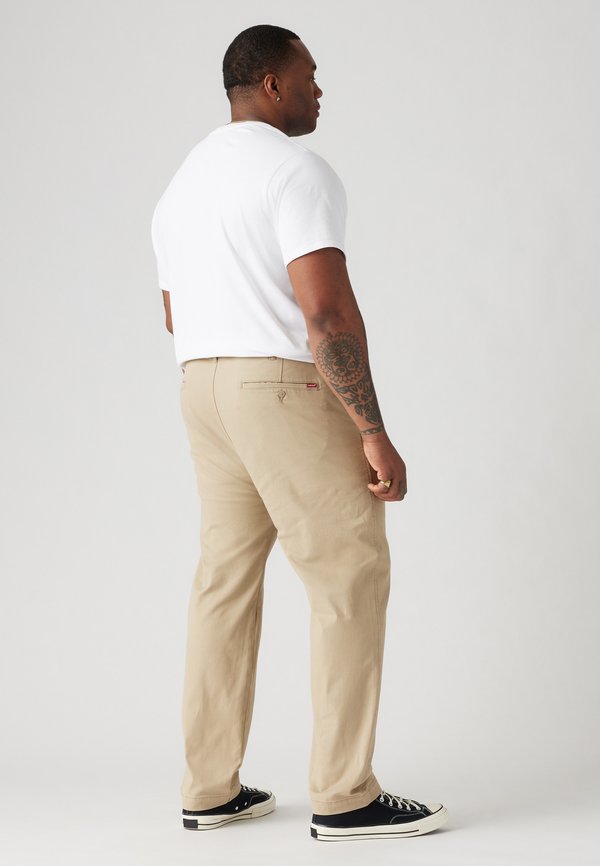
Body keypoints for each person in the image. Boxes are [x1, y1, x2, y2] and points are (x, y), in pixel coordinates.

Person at [150, 23, 448, 842]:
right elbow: (326, 314)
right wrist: (372, 430)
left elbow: (173, 312)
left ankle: (209, 788)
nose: (321, 90)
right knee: (349, 571)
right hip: (278, 387)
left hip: (201, 384)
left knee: (223, 582)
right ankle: (345, 796)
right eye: (310, 75)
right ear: (271, 84)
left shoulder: (181, 186)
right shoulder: (295, 171)